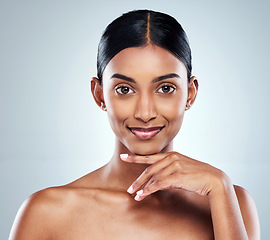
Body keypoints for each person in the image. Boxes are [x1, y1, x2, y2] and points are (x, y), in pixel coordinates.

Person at [9, 9, 260, 240]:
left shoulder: (229, 202)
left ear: (190, 94)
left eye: (165, 88)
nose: (145, 112)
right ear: (99, 94)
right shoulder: (46, 213)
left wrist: (220, 187)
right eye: (124, 89)